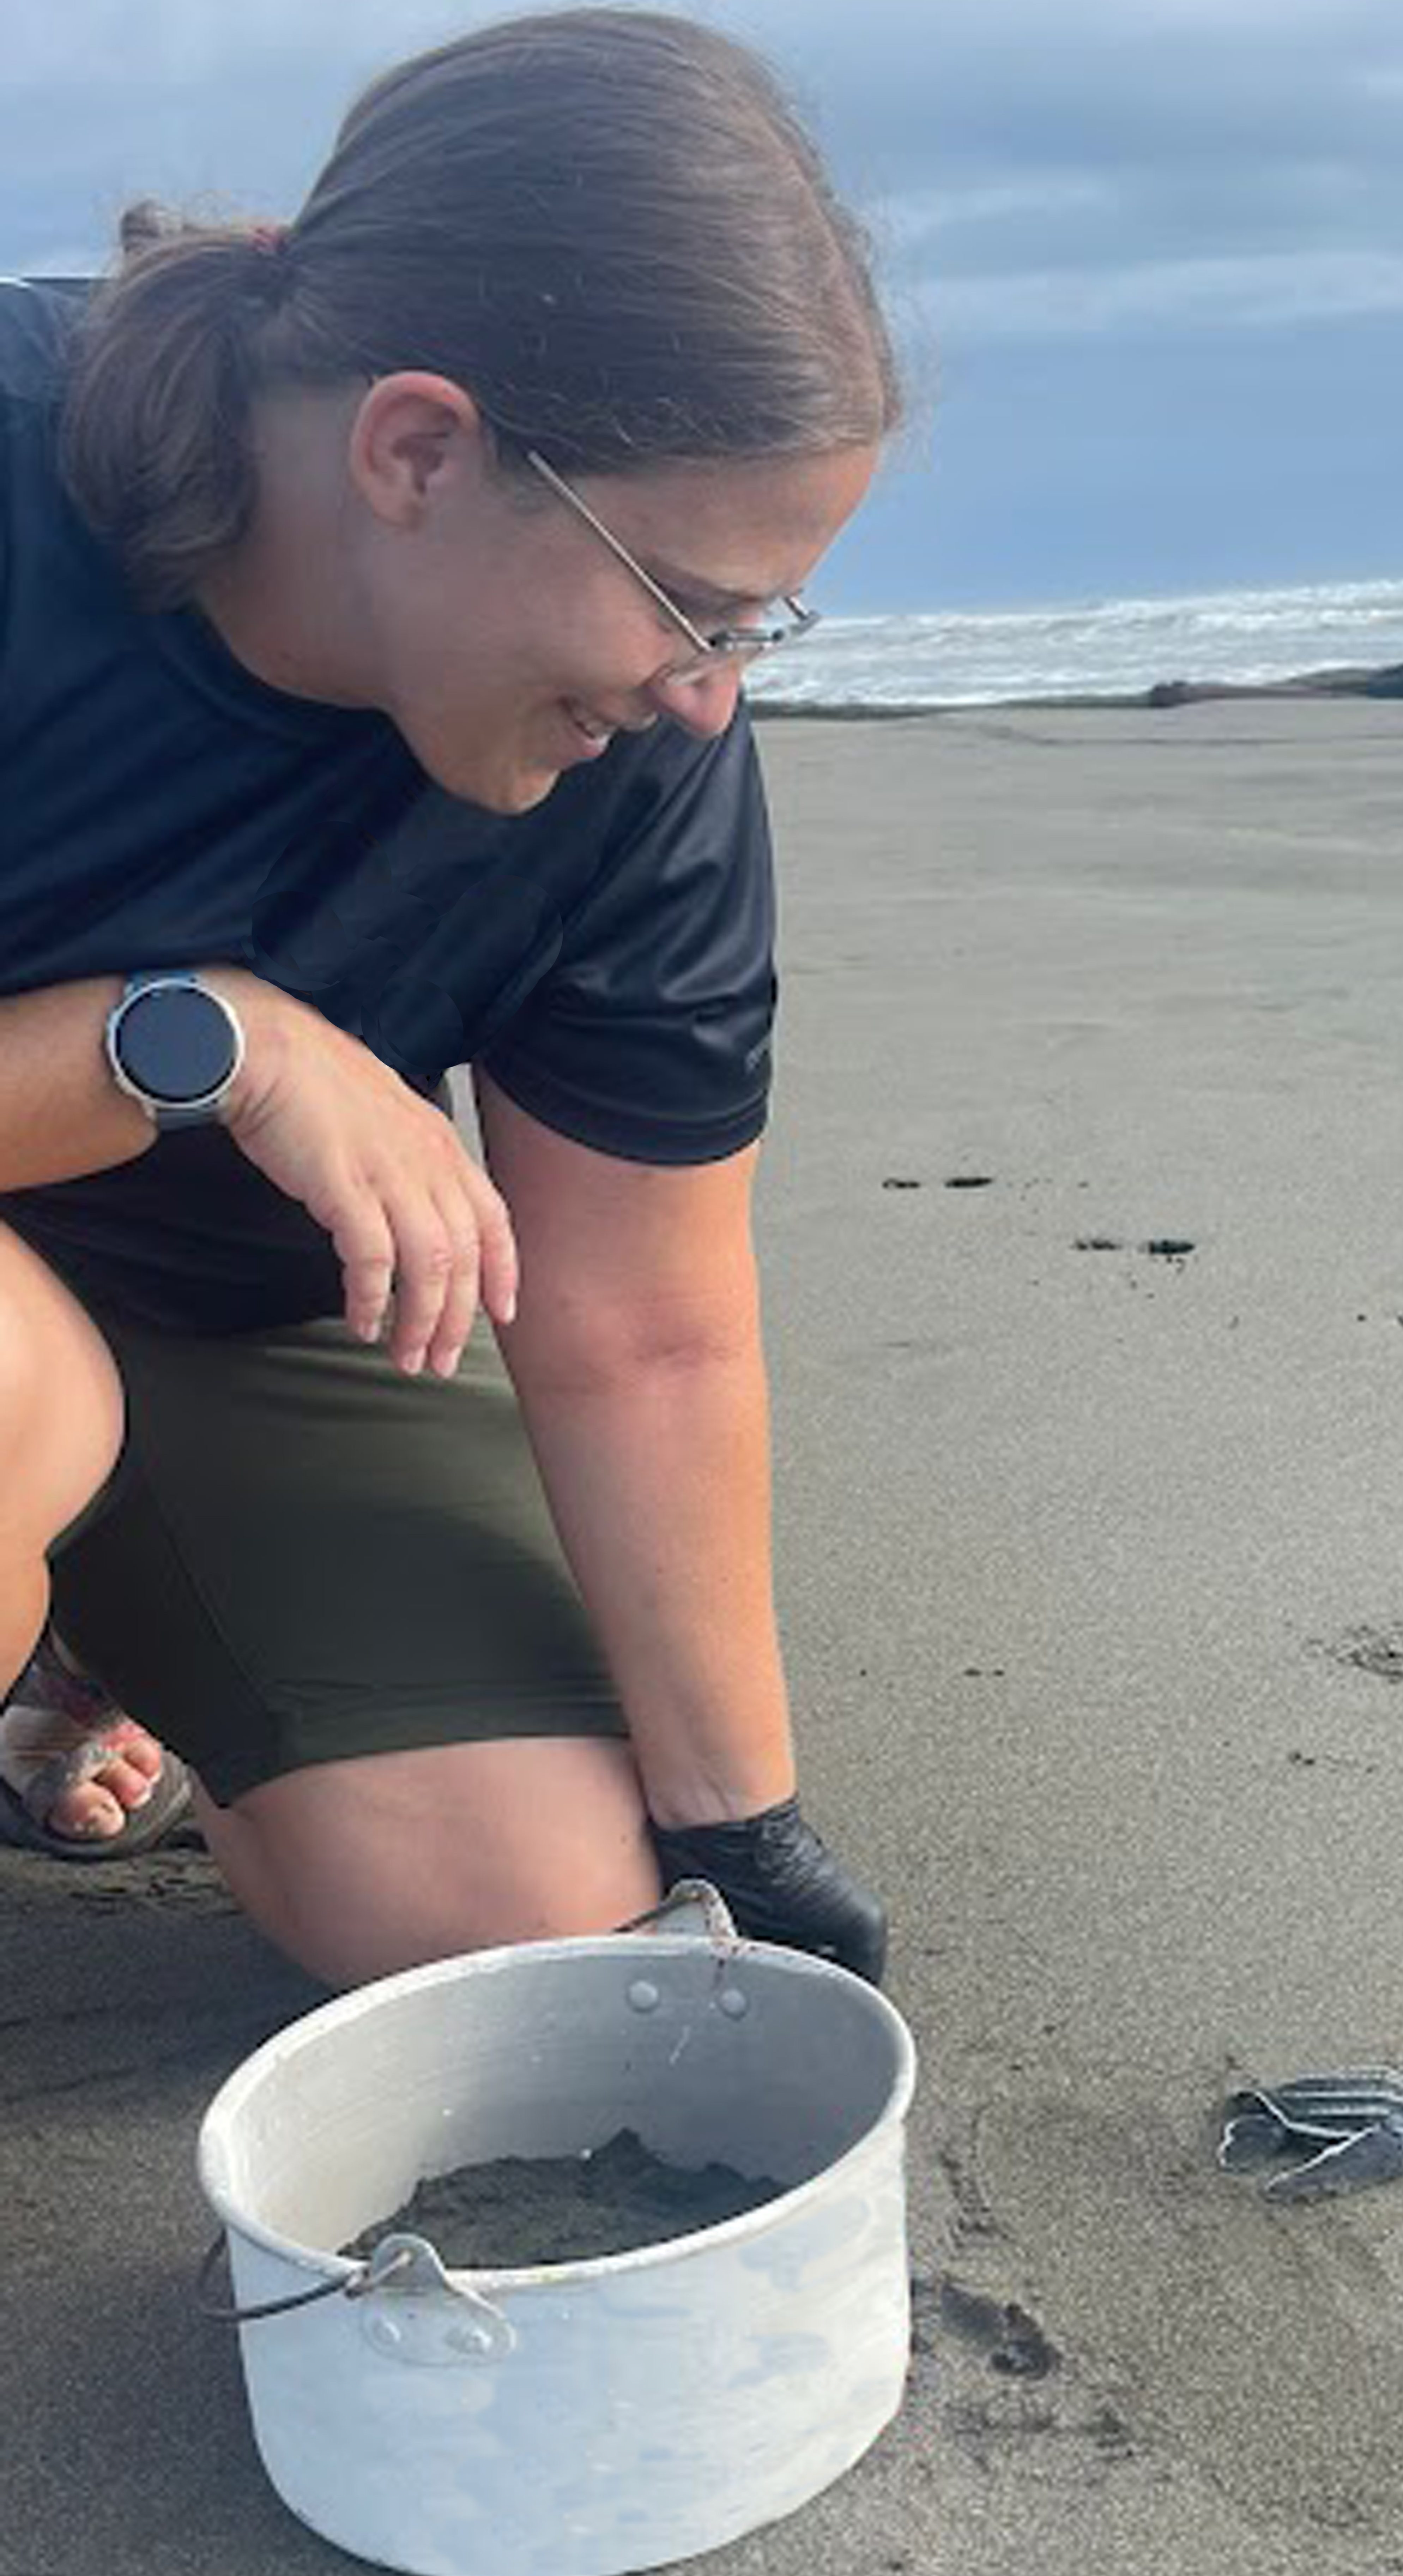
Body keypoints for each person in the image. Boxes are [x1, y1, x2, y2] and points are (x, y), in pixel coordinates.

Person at [0, 6, 894, 1987]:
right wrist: (201, 1044)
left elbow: (643, 1328)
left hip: (234, 1326)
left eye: (758, 621)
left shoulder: (638, 754)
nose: (702, 691)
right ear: (416, 447)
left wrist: (742, 1828)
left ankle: (98, 1620)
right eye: (682, 598)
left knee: (532, 1926)